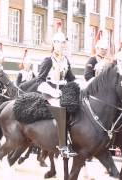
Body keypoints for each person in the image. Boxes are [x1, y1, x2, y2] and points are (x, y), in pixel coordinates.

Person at [35, 22, 77, 158]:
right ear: (54, 44)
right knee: (60, 111)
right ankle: (63, 146)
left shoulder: (66, 61)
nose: (61, 45)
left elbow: (71, 78)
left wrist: (81, 87)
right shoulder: (48, 60)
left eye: (63, 43)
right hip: (49, 94)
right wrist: (53, 92)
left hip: (63, 93)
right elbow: (39, 81)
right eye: (58, 43)